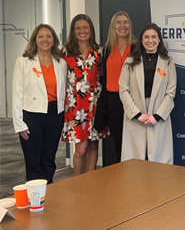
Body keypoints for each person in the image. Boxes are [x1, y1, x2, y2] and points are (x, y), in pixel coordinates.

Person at [12, 24, 67, 184]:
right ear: (35, 40)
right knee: (33, 158)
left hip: (54, 114)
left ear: (54, 40)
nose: (45, 40)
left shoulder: (60, 63)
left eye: (49, 36)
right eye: (41, 36)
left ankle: (48, 189)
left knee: (49, 157)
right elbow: (16, 93)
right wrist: (19, 123)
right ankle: (35, 196)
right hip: (31, 115)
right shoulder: (23, 62)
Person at [119, 23, 176, 164]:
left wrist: (157, 116)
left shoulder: (168, 63)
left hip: (158, 115)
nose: (150, 40)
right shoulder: (129, 62)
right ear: (141, 40)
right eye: (146, 37)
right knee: (134, 161)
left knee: (160, 162)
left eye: (153, 37)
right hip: (135, 115)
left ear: (159, 40)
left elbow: (171, 93)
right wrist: (137, 114)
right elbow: (123, 89)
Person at [62, 14, 108, 176]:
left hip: (95, 105)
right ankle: (78, 182)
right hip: (76, 106)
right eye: (78, 28)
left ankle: (91, 181)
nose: (82, 31)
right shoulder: (65, 52)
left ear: (91, 29)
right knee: (80, 150)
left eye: (85, 27)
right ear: (73, 31)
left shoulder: (100, 51)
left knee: (93, 146)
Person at [94, 11, 137, 163]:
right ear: (113, 26)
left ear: (129, 25)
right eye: (118, 22)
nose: (122, 25)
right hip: (113, 100)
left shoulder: (137, 47)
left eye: (125, 22)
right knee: (118, 142)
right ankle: (123, 176)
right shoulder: (106, 49)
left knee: (134, 140)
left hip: (133, 99)